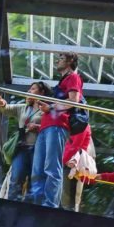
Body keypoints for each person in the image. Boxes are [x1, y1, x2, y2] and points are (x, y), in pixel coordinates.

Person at [27, 52, 83, 208]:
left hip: (58, 126)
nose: (57, 61)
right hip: (45, 127)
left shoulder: (73, 77)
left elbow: (74, 101)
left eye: (61, 59)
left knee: (51, 168)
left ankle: (49, 206)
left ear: (71, 61)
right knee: (37, 170)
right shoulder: (61, 82)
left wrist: (50, 106)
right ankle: (38, 205)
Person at [0, 81, 51, 201]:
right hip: (22, 148)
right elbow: (6, 108)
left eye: (33, 89)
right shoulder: (23, 108)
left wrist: (37, 127)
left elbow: (52, 129)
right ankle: (11, 206)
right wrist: (3, 103)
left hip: (38, 150)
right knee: (16, 179)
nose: (29, 92)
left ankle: (29, 209)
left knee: (34, 181)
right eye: (29, 89)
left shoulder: (47, 111)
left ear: (42, 93)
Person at [62, 123, 95, 211]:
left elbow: (75, 146)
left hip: (72, 164)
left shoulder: (81, 124)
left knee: (69, 198)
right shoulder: (78, 124)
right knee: (70, 198)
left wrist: (63, 160)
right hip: (73, 163)